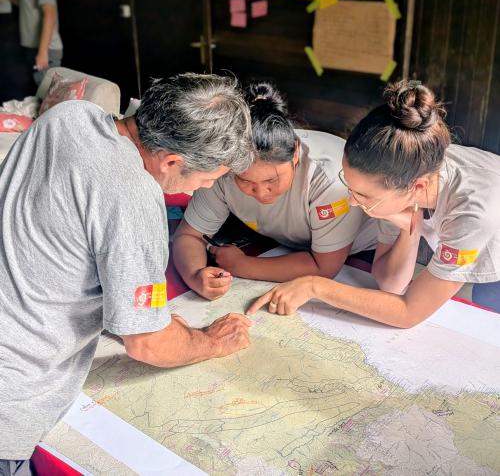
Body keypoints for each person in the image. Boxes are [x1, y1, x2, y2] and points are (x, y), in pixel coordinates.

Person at [0, 73, 255, 474]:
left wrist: (147, 316)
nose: (198, 191)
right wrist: (211, 342)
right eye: (205, 180)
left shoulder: (69, 115)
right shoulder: (133, 195)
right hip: (11, 395)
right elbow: (147, 344)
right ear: (171, 161)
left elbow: (62, 245)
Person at [247, 80, 500, 323]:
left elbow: (408, 311)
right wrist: (411, 229)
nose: (352, 202)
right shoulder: (402, 174)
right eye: (350, 187)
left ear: (417, 187)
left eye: (364, 196)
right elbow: (391, 285)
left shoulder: (472, 213)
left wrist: (315, 286)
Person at [173, 82, 389, 300]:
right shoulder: (222, 169)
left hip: (362, 252)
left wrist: (242, 265)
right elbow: (190, 234)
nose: (261, 192)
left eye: (271, 179)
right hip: (285, 243)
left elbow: (324, 267)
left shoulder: (330, 179)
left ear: (295, 153)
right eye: (244, 180)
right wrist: (195, 275)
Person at [0, 0, 63, 85]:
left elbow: (50, 13)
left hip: (47, 49)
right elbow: (27, 4)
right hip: (35, 48)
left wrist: (42, 52)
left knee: (44, 93)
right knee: (35, 91)